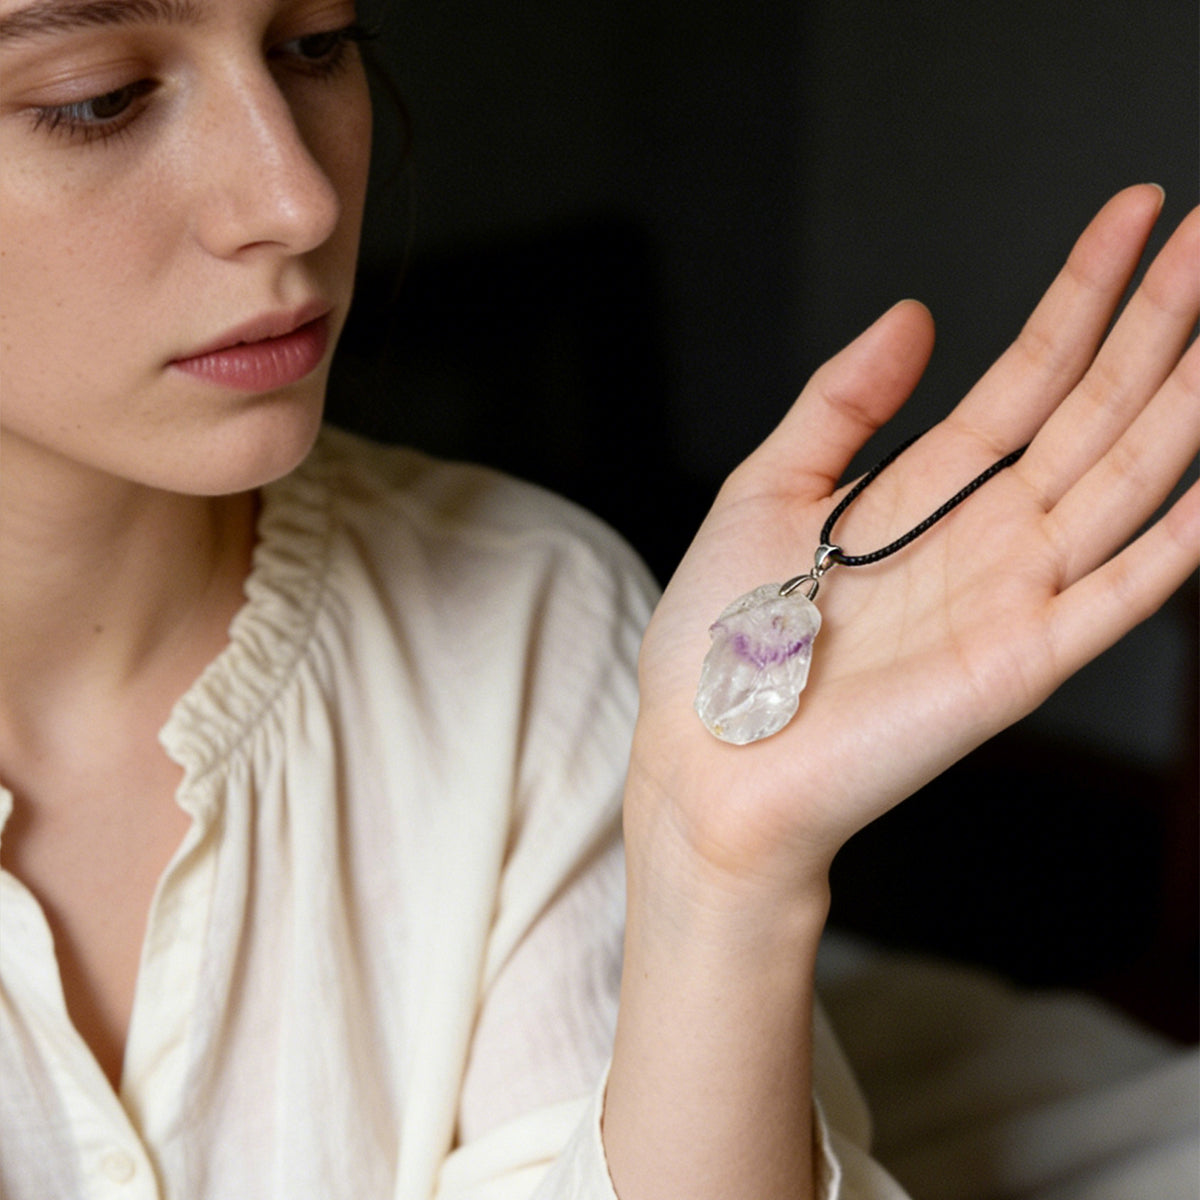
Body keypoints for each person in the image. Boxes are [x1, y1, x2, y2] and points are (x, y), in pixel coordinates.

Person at [0, 1, 1195, 1197]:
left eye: (316, 42)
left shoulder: (533, 620)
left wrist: (720, 887)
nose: (298, 198)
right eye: (95, 98)